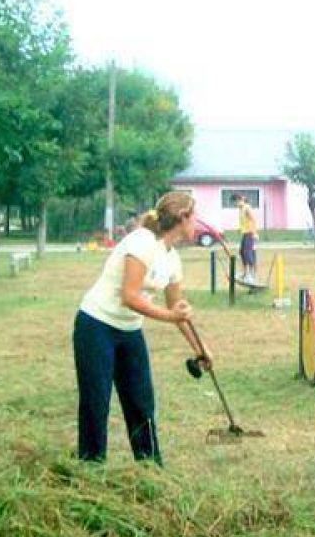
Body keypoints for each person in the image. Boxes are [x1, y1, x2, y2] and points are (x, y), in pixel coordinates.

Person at [73, 191, 213, 464]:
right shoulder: (141, 242)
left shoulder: (172, 258)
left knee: (141, 402)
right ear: (182, 218)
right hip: (96, 325)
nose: (197, 222)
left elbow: (177, 306)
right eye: (194, 216)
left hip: (129, 331)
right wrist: (169, 315)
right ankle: (90, 470)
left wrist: (200, 347)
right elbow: (130, 295)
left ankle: (150, 468)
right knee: (96, 402)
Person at [232, 193, 259, 283]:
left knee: (248, 253)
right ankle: (244, 273)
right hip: (245, 233)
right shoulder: (241, 209)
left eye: (235, 203)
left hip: (250, 233)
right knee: (242, 252)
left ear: (239, 200)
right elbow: (245, 221)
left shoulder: (247, 208)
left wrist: (254, 233)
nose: (235, 205)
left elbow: (253, 220)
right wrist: (240, 229)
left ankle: (251, 275)